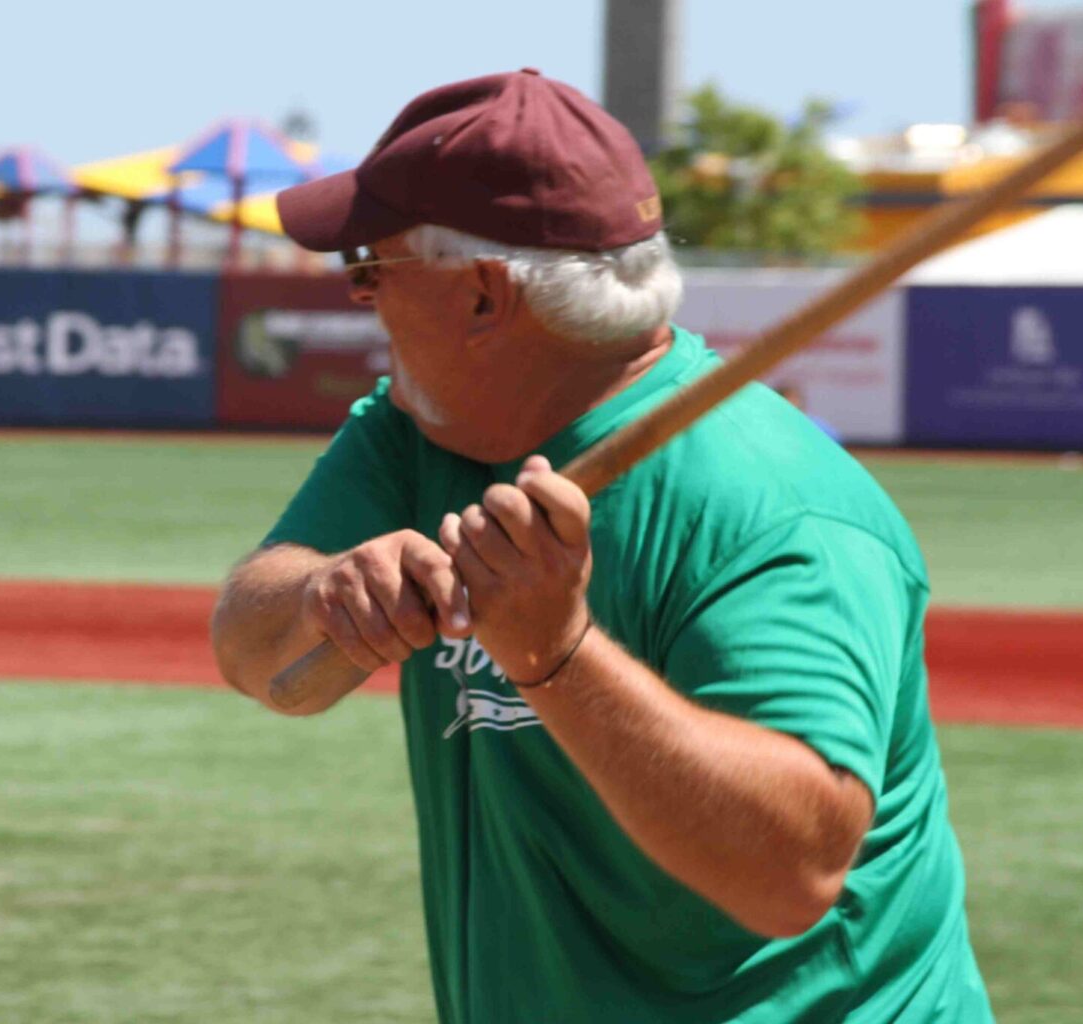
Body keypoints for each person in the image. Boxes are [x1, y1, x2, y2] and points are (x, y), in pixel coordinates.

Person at [210, 71, 990, 1022]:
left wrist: (559, 655)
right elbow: (258, 659)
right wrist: (324, 594)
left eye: (371, 267)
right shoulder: (416, 431)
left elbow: (791, 872)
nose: (363, 301)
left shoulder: (776, 510)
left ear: (484, 297)